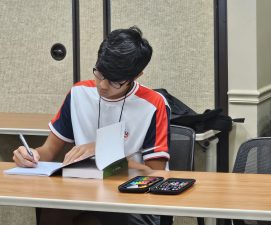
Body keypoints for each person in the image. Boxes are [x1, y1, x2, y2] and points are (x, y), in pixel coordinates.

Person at [12, 26, 170, 225]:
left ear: (136, 76)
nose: (103, 85)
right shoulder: (79, 94)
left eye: (115, 82)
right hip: (84, 192)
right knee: (52, 209)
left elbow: (155, 174)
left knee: (90, 221)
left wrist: (103, 151)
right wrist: (29, 155)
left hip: (131, 199)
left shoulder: (153, 104)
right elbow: (48, 151)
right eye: (100, 74)